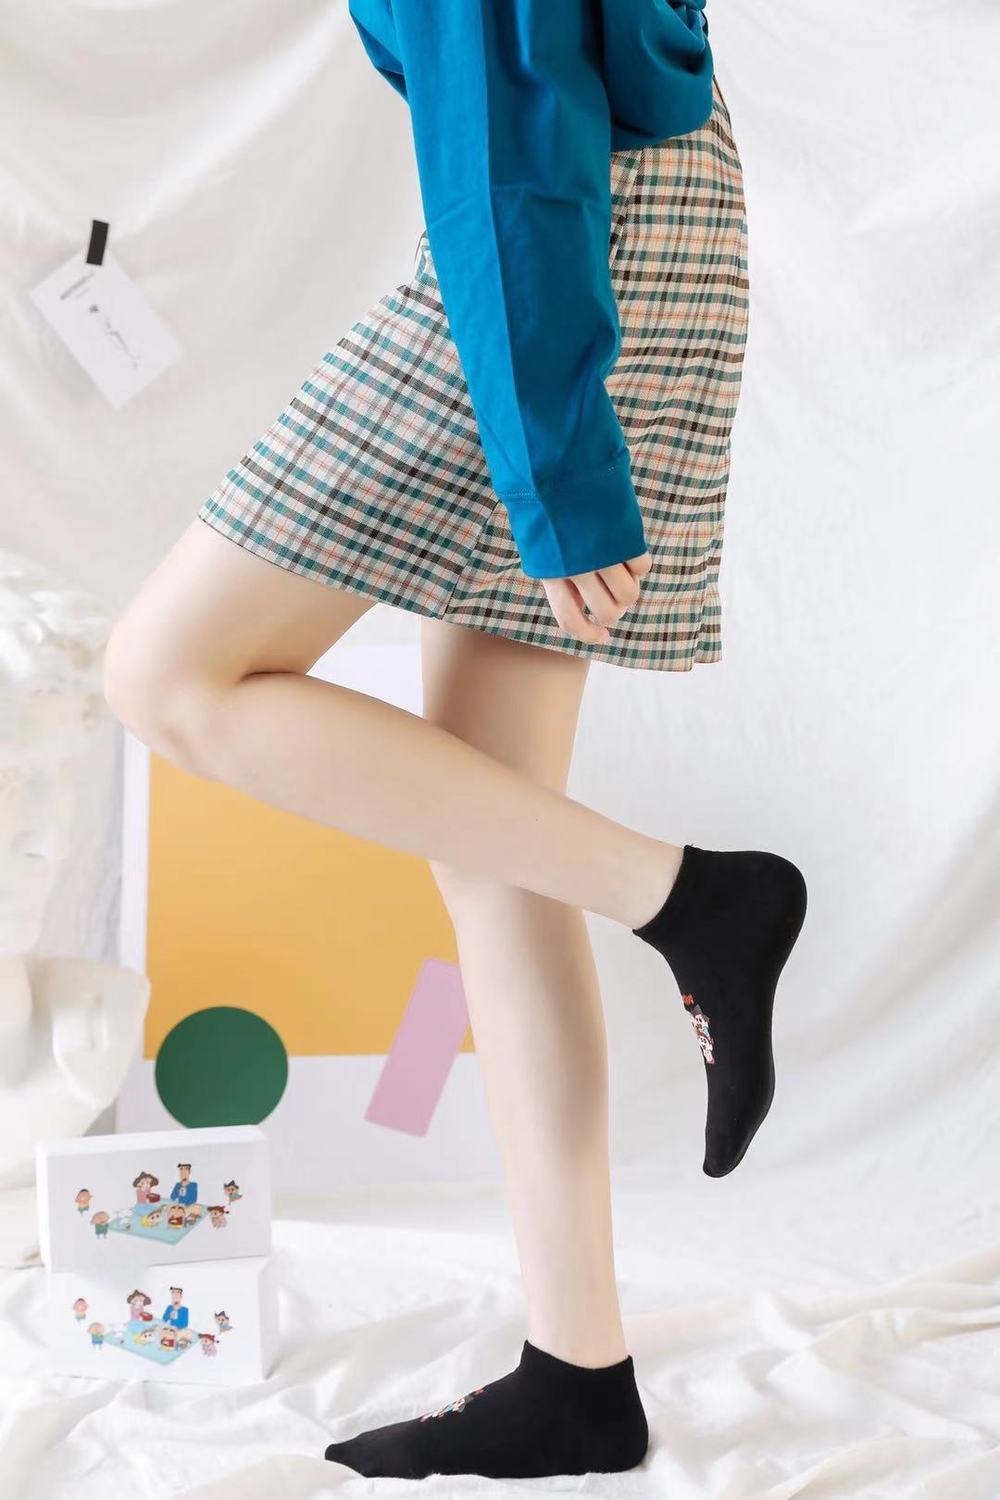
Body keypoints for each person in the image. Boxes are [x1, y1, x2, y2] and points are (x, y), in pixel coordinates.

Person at [102, 0, 808, 1481]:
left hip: (563, 225)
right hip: (631, 207)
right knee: (493, 832)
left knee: (168, 675)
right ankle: (578, 1376)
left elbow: (508, 109)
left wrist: (559, 468)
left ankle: (696, 900)